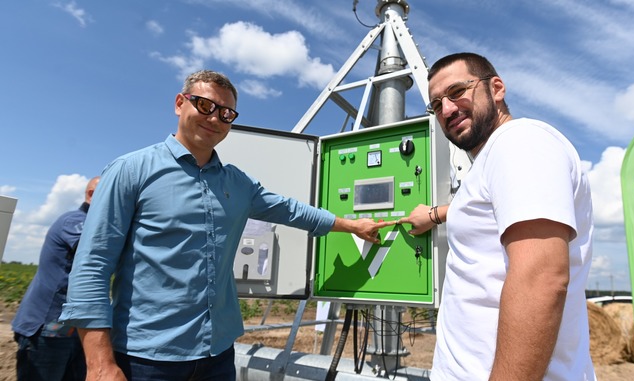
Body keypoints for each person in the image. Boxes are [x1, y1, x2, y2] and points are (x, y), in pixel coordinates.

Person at [58, 70, 391, 381]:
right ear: (179, 103)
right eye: (205, 105)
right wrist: (100, 363)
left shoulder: (238, 184)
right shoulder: (132, 170)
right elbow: (92, 266)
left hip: (217, 355)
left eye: (226, 113)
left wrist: (352, 225)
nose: (215, 118)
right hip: (147, 358)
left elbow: (290, 211)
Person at [398, 53, 596, 380]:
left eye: (457, 91)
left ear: (497, 88)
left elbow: (541, 280)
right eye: (435, 105)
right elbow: (481, 210)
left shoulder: (520, 142)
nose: (446, 109)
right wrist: (433, 215)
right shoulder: (494, 161)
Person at [12, 176, 100, 381]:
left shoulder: (93, 224)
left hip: (72, 331)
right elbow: (96, 251)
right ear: (92, 194)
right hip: (46, 329)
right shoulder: (74, 221)